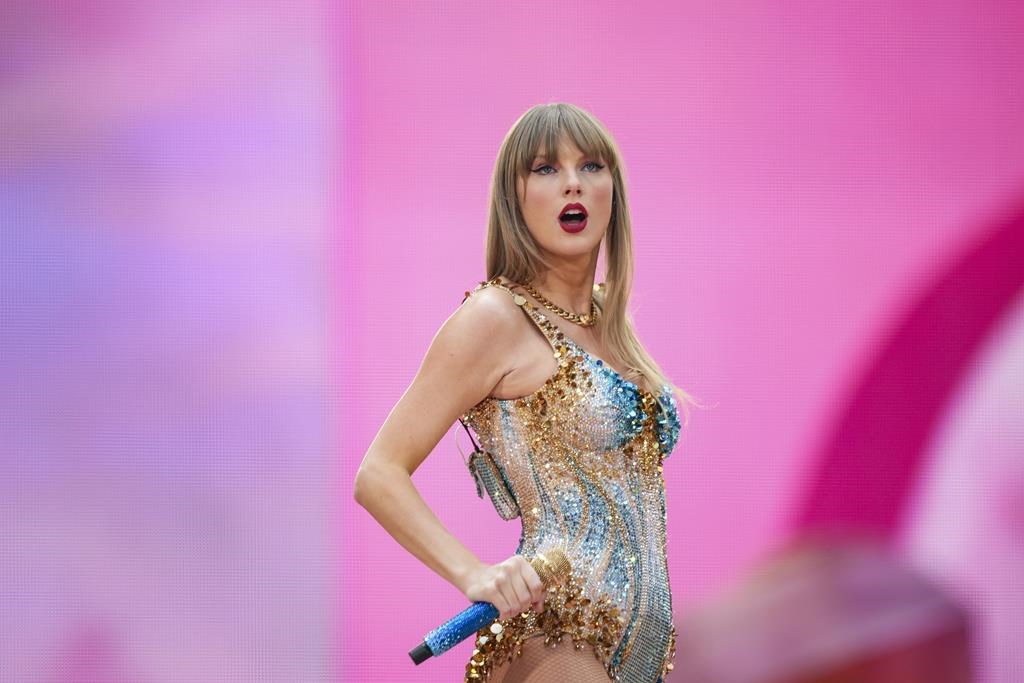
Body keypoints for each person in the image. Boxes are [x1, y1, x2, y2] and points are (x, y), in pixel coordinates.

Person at [353, 102, 699, 682]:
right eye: (545, 168)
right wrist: (473, 573)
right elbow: (378, 473)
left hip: (642, 653)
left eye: (591, 166)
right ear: (514, 199)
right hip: (556, 631)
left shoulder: (610, 323)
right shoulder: (495, 317)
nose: (572, 183)